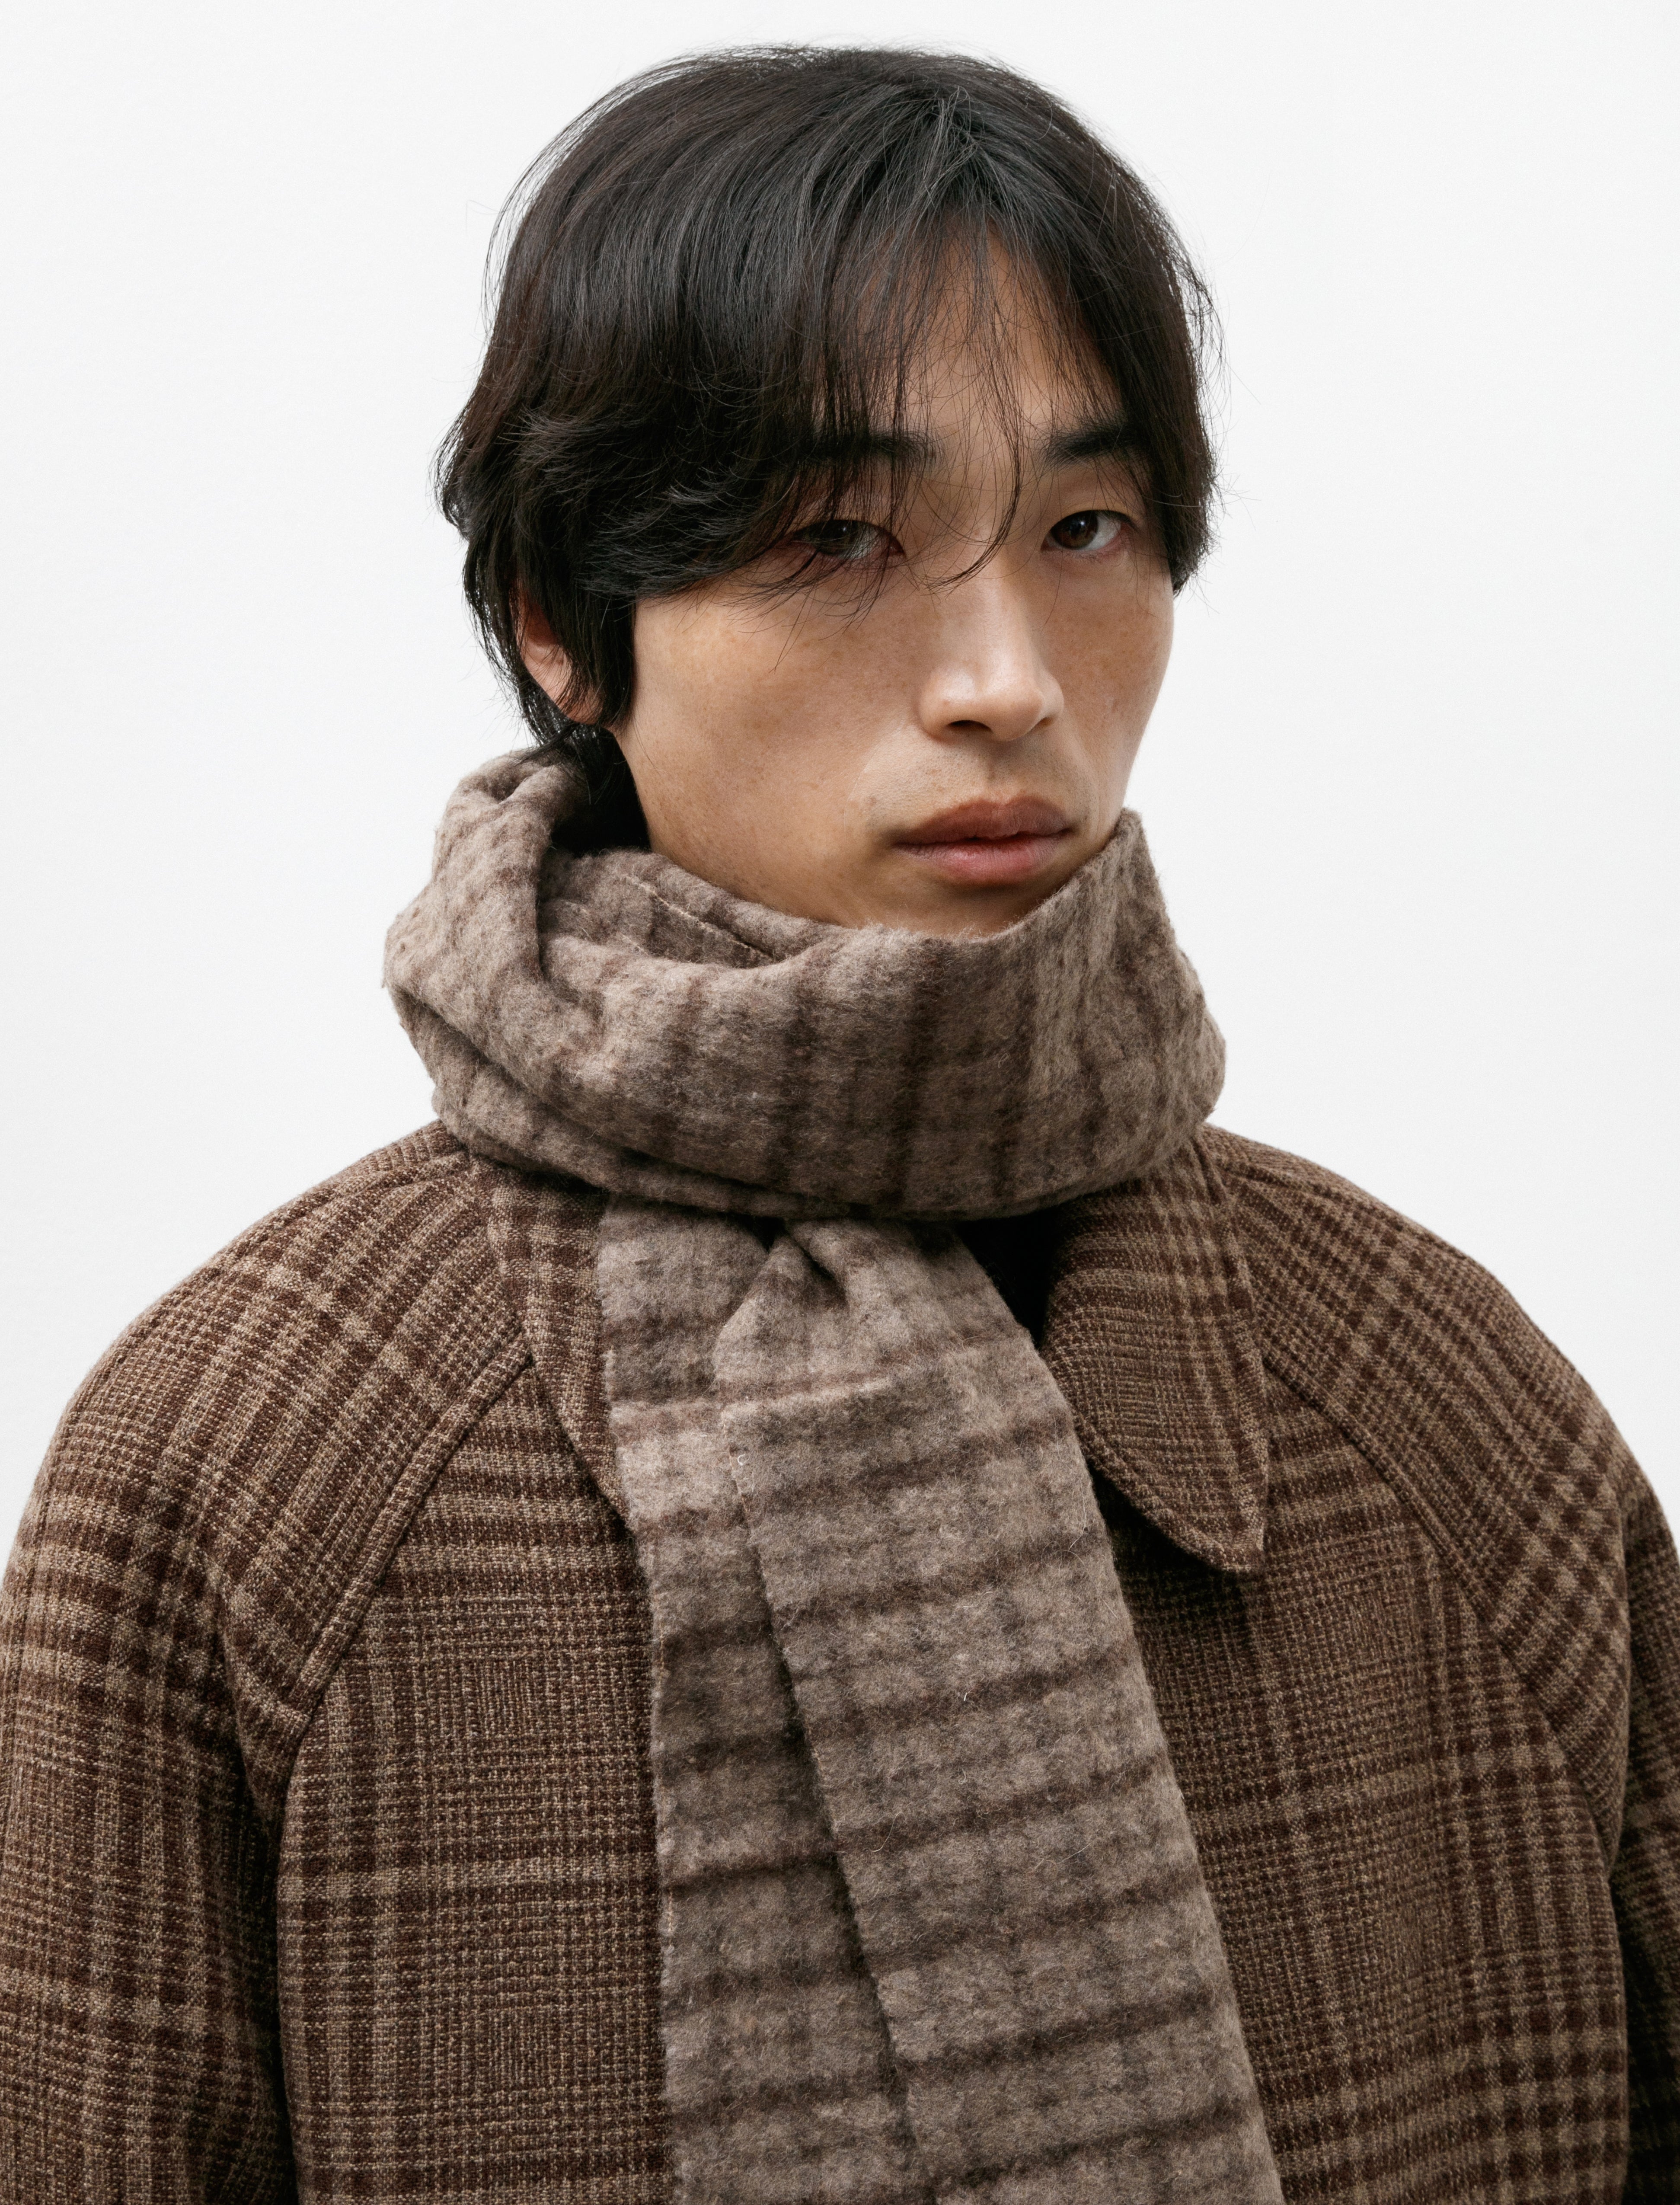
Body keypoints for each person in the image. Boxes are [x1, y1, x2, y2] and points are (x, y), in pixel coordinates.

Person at [0, 44, 1674, 2205]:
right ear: (560, 620)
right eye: (837, 540)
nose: (1007, 676)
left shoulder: (1437, 1405)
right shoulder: (256, 1474)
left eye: (1085, 529)